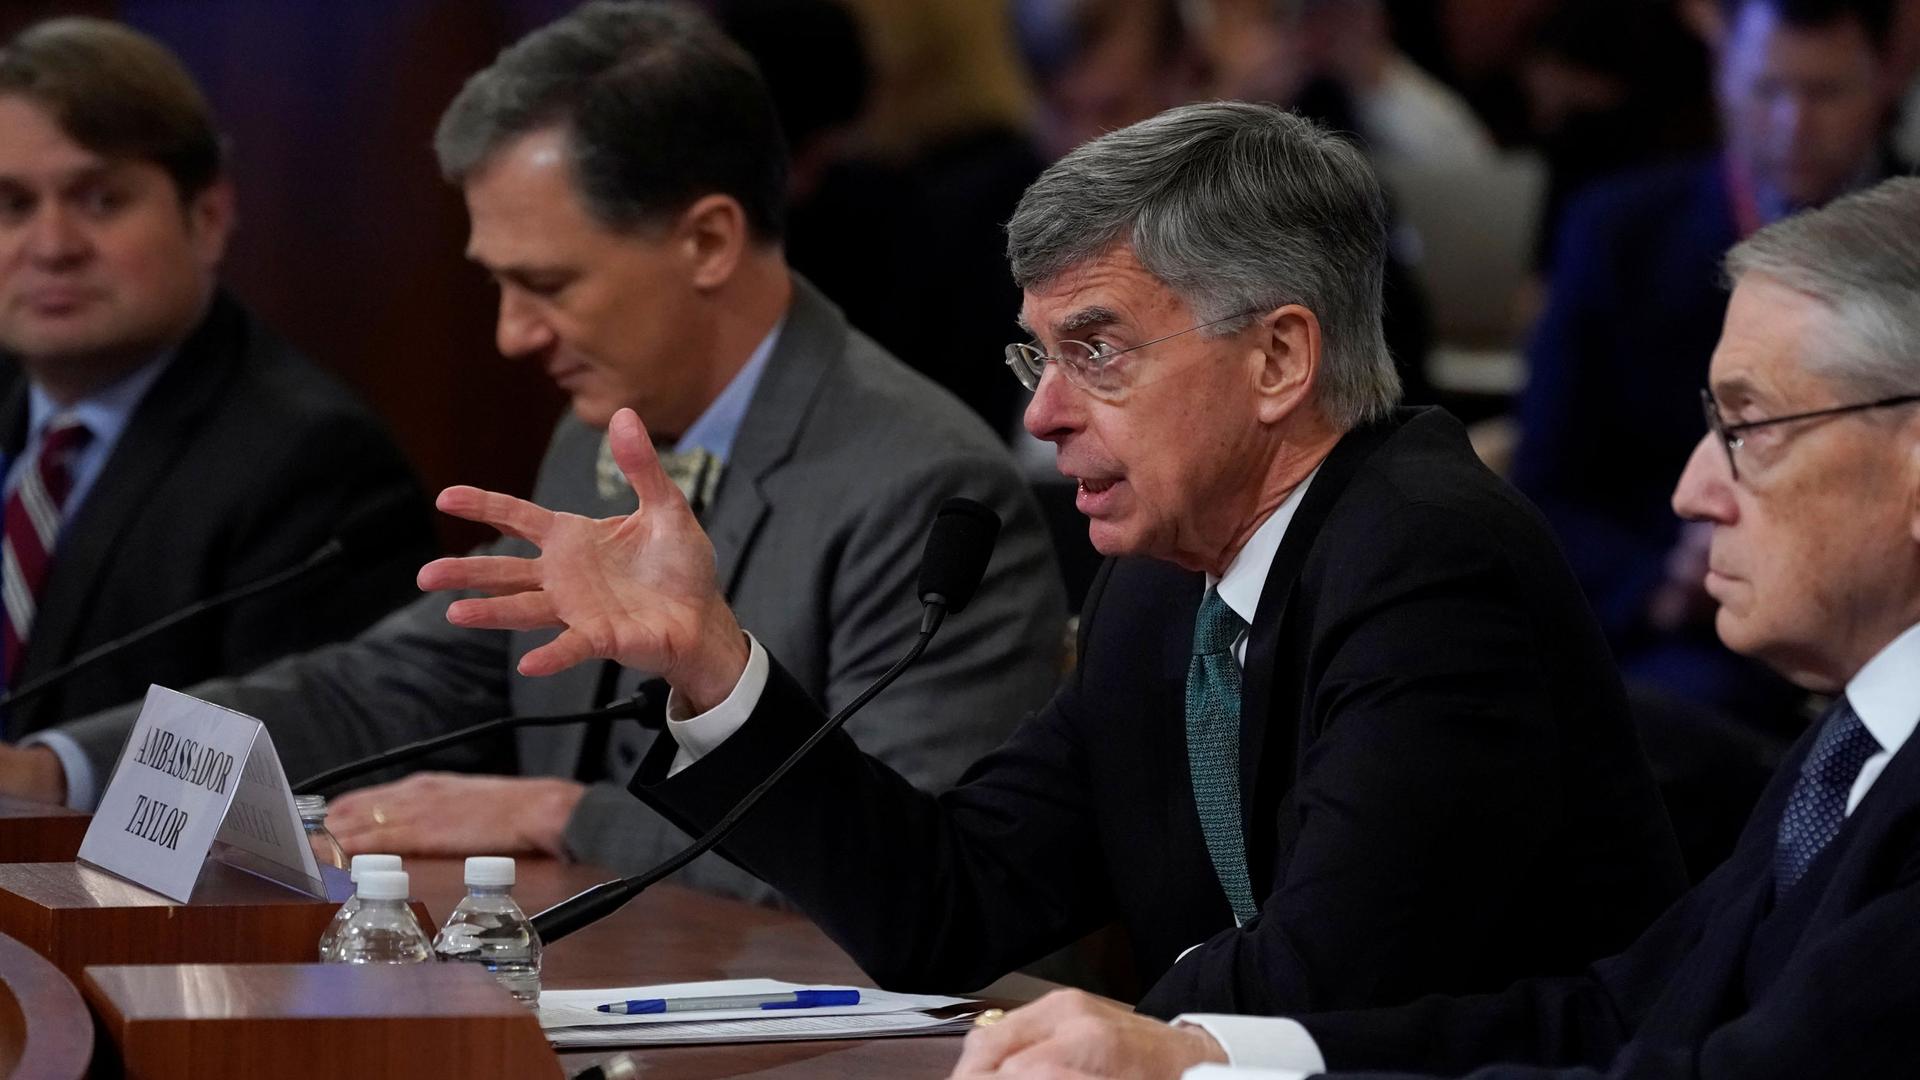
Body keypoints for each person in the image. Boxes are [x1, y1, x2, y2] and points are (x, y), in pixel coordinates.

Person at [423, 101, 1685, 1017]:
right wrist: (713, 667)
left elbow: (1324, 988)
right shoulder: (1159, 585)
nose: (1043, 416)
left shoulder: (1428, 563)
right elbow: (950, 908)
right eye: (1041, 358)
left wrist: (1099, 1029)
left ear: (1279, 361)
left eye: (1100, 350)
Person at [0, 1, 1065, 901]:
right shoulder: (599, 433)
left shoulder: (921, 489)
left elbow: (927, 872)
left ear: (706, 241)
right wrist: (65, 765)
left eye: (547, 286)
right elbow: (401, 679)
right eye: (498, 283)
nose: (511, 335)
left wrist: (567, 814)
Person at [951, 175, 1920, 1080]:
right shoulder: (1846, 752)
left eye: (1750, 428)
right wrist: (1202, 1056)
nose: (1694, 489)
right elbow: (1614, 1017)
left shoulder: (1420, 549)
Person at [1512, 0, 1905, 842]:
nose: (1794, 123)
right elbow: (1542, 486)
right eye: (1768, 90)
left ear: (1887, 79)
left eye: (1825, 91)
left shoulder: (1910, 251)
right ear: (1723, 72)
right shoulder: (1617, 230)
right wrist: (1662, 580)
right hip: (1665, 632)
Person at [0, 18, 431, 768]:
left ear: (208, 219)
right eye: (11, 206)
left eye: (100, 200)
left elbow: (303, 786)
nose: (52, 245)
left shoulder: (312, 462)